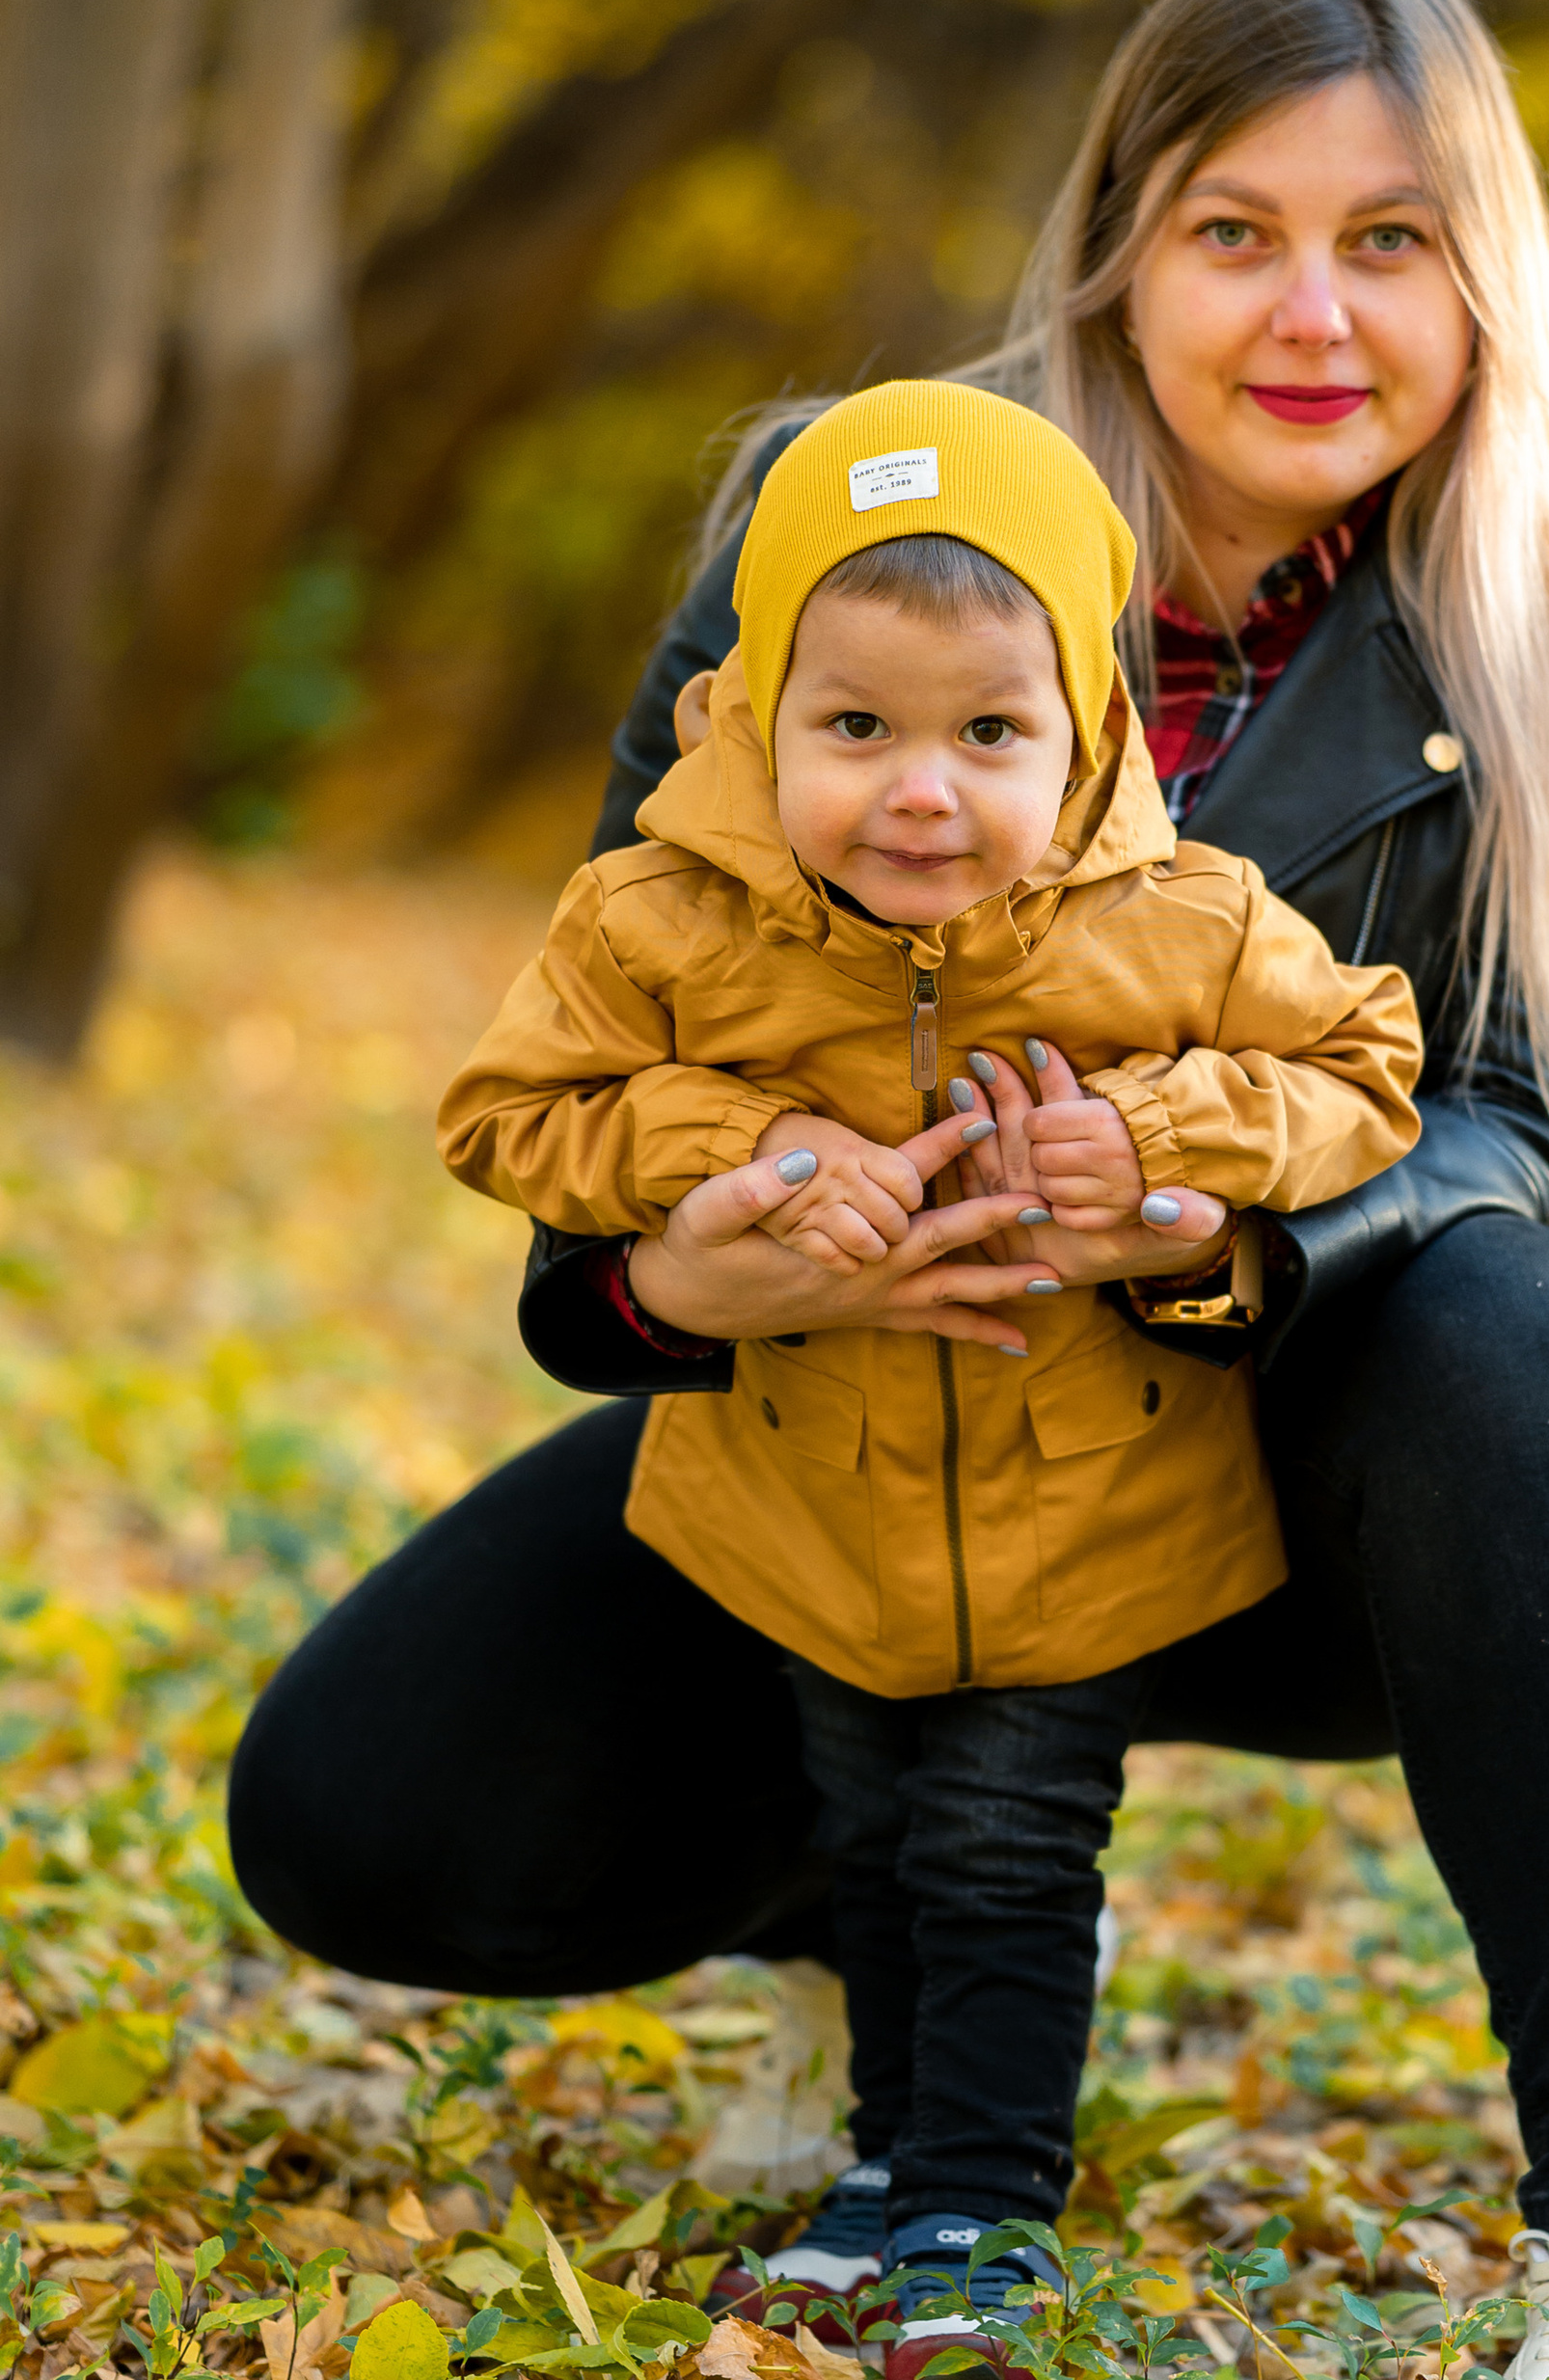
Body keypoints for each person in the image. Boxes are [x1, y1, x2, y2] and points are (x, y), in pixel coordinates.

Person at [229, 0, 1549, 2376]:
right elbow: (620, 998)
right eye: (1232, 231)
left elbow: (1514, 1126)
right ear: (1117, 239)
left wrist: (1201, 1234)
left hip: (1286, 1457)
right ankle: (871, 1916)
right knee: (356, 1809)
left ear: (1485, 270)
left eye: (1390, 242)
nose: (1311, 317)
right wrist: (675, 1286)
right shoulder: (849, 508)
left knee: (1519, 1320)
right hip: (849, 1413)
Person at [432, 379, 1421, 2374]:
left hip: (1084, 1493)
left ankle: (978, 2190)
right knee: (864, 1826)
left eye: (987, 733)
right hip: (808, 1486)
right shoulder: (657, 918)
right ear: (753, 708)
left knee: (999, 1832)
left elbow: (1368, 1065)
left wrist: (1161, 1143)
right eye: (855, 726)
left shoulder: (1181, 919)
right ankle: (889, 2168)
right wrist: (733, 1153)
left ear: (1082, 732)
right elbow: (510, 1113)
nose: (920, 790)